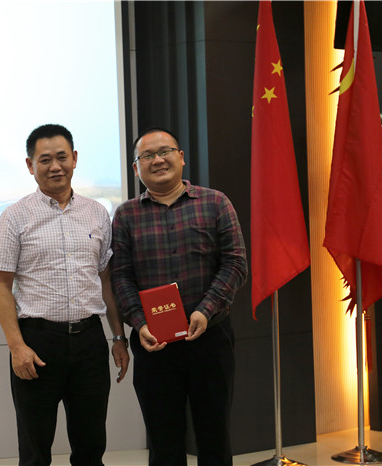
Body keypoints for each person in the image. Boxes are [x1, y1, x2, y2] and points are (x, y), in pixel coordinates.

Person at [0, 123, 130, 466]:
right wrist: (17, 347)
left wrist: (118, 337)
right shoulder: (14, 217)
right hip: (38, 344)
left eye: (62, 157)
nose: (55, 166)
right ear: (30, 165)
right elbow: (1, 286)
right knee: (35, 451)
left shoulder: (97, 213)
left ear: (75, 159)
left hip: (89, 342)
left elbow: (105, 280)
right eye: (45, 160)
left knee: (91, 447)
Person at [111, 127, 248, 466]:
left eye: (165, 151)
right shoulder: (126, 215)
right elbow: (121, 277)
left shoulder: (215, 202)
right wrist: (139, 323)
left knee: (215, 438)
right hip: (154, 345)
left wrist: (204, 310)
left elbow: (235, 264)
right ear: (136, 168)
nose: (158, 160)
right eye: (147, 156)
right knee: (164, 443)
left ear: (181, 157)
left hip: (210, 339)